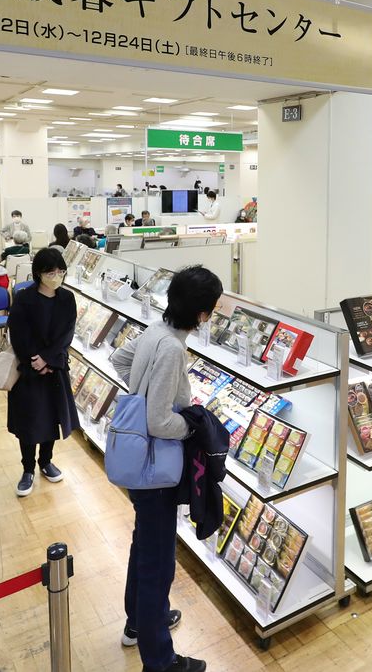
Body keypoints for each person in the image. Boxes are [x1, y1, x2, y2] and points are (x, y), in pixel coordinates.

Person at [110, 265, 223, 672]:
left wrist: (140, 398)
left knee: (145, 547)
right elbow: (160, 422)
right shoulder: (173, 348)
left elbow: (119, 360)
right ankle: (160, 661)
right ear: (202, 314)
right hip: (156, 468)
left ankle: (137, 624)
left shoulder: (155, 331)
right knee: (158, 562)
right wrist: (191, 424)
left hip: (139, 462)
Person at [7, 248, 78, 497]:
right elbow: (18, 334)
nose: (56, 276)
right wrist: (34, 360)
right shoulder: (24, 298)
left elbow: (67, 334)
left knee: (51, 419)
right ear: (39, 273)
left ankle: (45, 462)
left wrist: (48, 359)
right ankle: (27, 469)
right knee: (28, 421)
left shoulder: (67, 299)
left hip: (55, 367)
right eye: (51, 272)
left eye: (61, 271)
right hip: (28, 370)